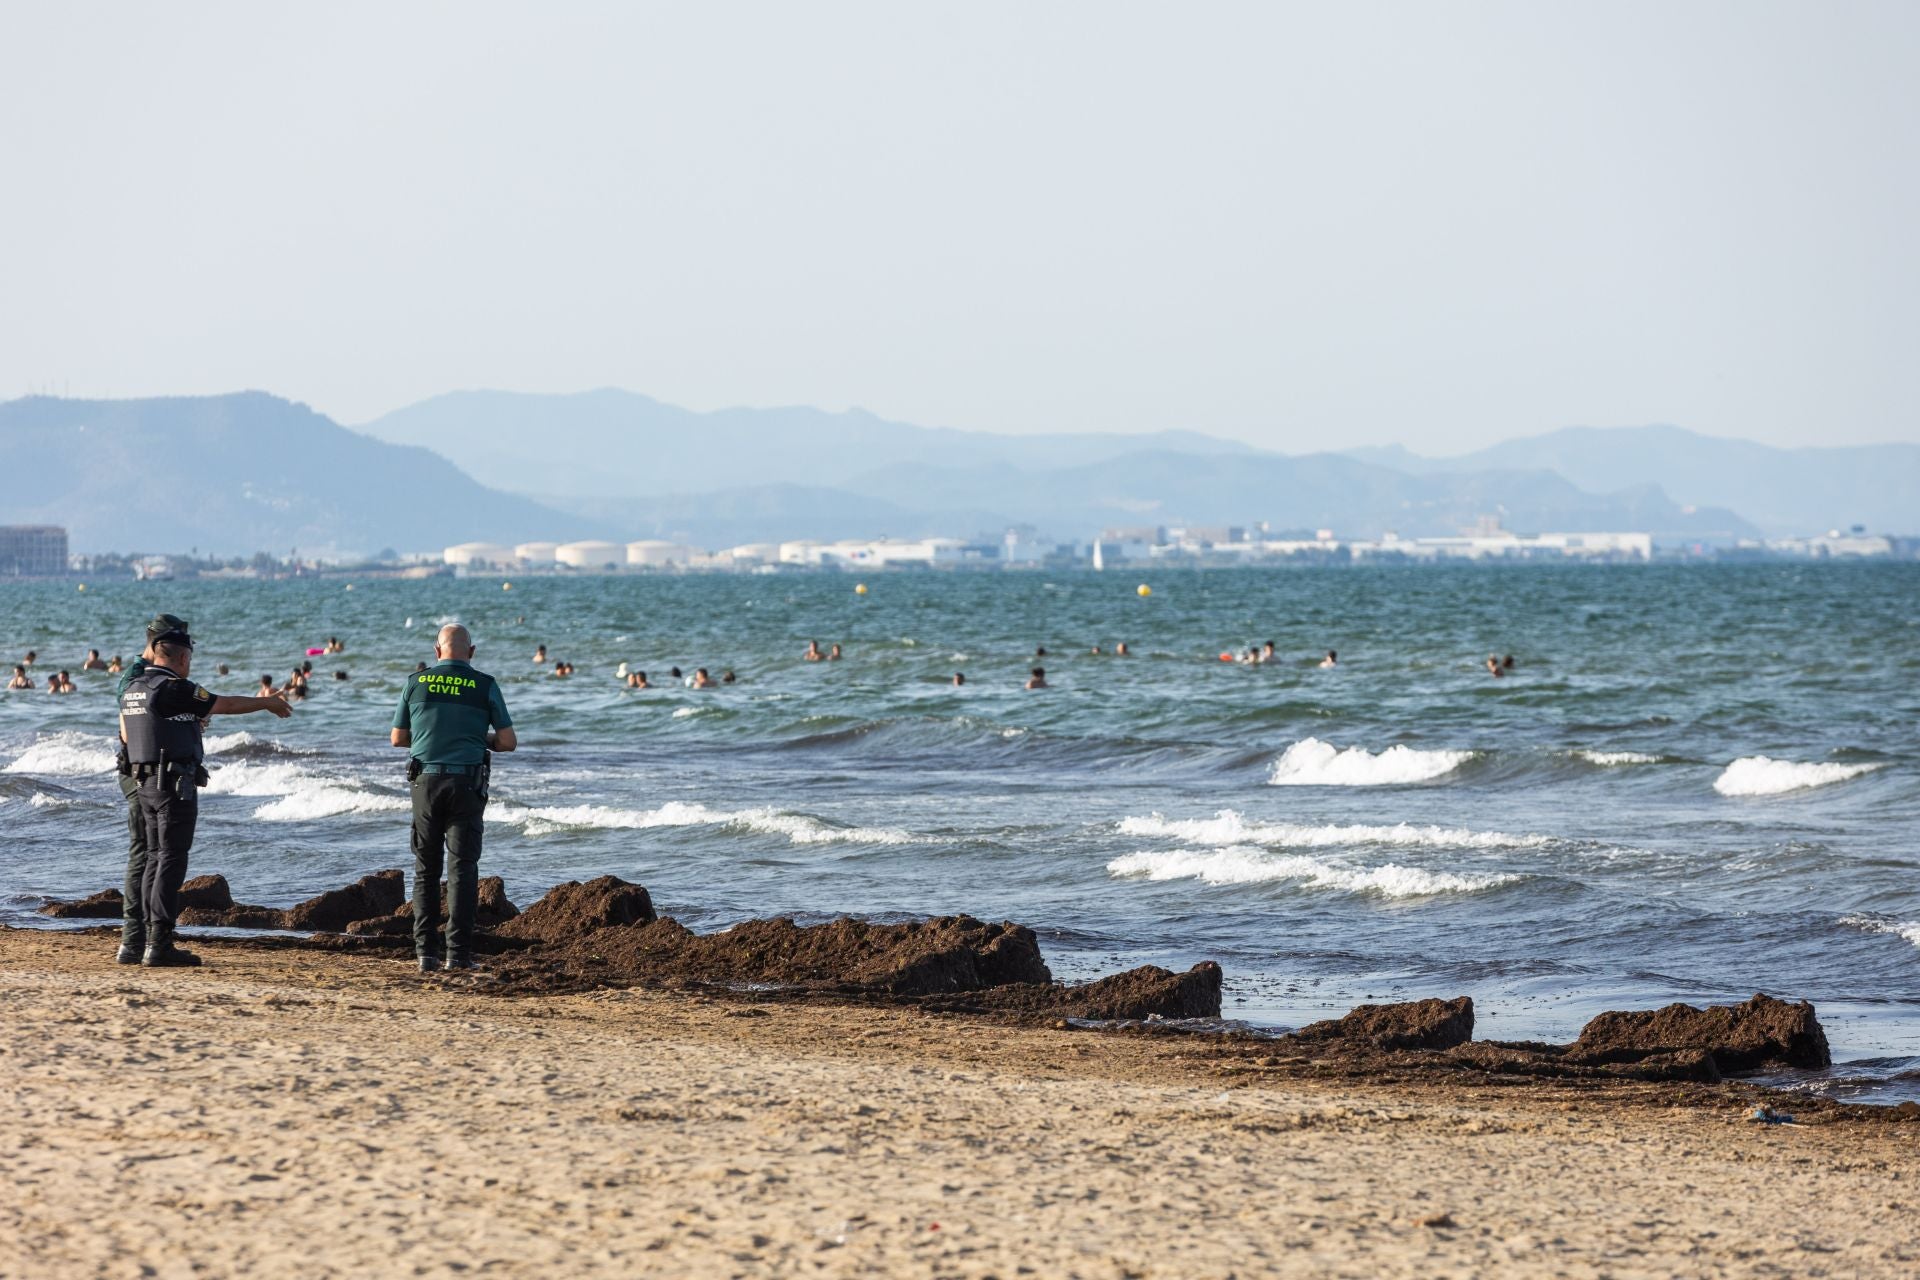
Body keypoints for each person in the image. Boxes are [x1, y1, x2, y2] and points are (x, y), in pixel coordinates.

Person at [120, 619, 291, 967]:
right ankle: (160, 944)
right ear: (183, 658)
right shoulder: (172, 687)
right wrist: (267, 703)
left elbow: (141, 731)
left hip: (144, 784)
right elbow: (222, 704)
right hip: (172, 786)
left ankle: (147, 940)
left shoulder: (134, 686)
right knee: (170, 860)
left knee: (153, 858)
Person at [391, 624, 515, 974]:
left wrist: (435, 733)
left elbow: (398, 738)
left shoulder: (416, 683)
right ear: (471, 652)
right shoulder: (485, 684)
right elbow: (508, 742)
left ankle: (424, 956)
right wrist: (479, 738)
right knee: (462, 868)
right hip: (466, 784)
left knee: (425, 869)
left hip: (425, 782)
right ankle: (457, 955)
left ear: (436, 651)